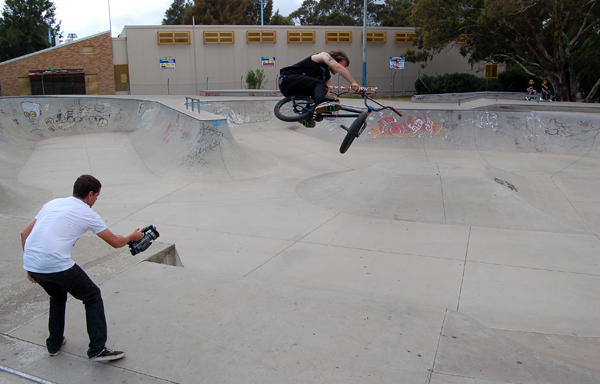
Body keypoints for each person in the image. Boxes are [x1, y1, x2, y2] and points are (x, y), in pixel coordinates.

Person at [21, 175, 143, 362]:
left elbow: (24, 233)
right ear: (90, 194)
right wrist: (132, 237)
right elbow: (116, 243)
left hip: (32, 262)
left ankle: (53, 344)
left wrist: (30, 266)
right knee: (92, 295)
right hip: (55, 264)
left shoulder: (52, 204)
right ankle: (97, 349)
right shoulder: (87, 213)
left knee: (57, 295)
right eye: (97, 196)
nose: (96, 200)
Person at [279, 50, 361, 127]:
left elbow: (325, 93)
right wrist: (353, 82)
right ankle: (319, 104)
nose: (342, 68)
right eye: (343, 65)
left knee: (320, 93)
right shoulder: (323, 56)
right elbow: (337, 67)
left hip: (294, 89)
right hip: (287, 80)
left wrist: (331, 100)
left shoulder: (327, 78)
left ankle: (305, 115)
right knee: (320, 85)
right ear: (335, 60)